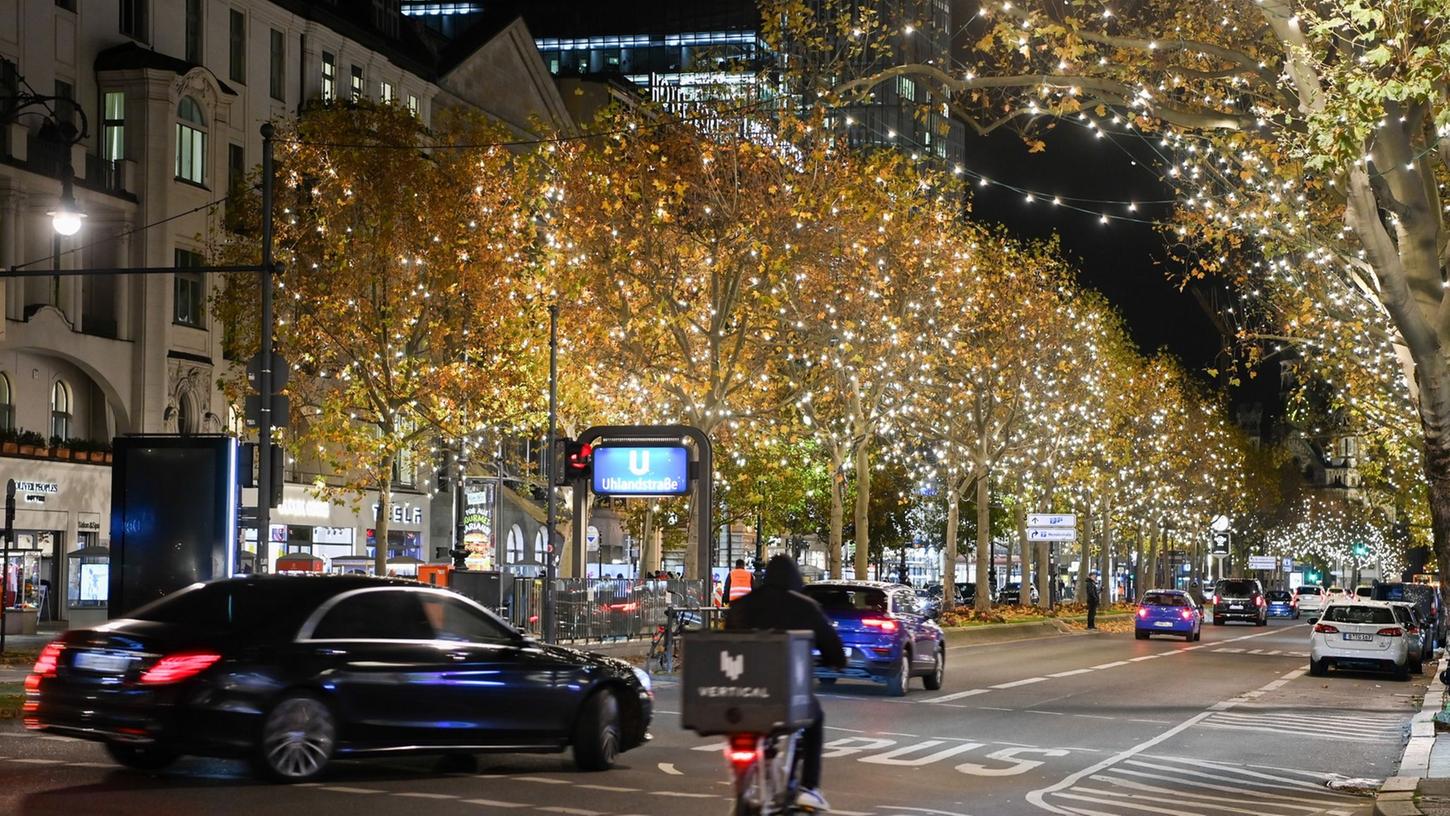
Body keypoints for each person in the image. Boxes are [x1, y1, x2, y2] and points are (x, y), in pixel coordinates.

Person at [726, 555, 846, 812]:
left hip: (742, 693)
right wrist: (835, 661)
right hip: (787, 695)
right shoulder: (805, 607)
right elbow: (833, 650)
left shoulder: (741, 607)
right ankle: (809, 788)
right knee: (816, 720)